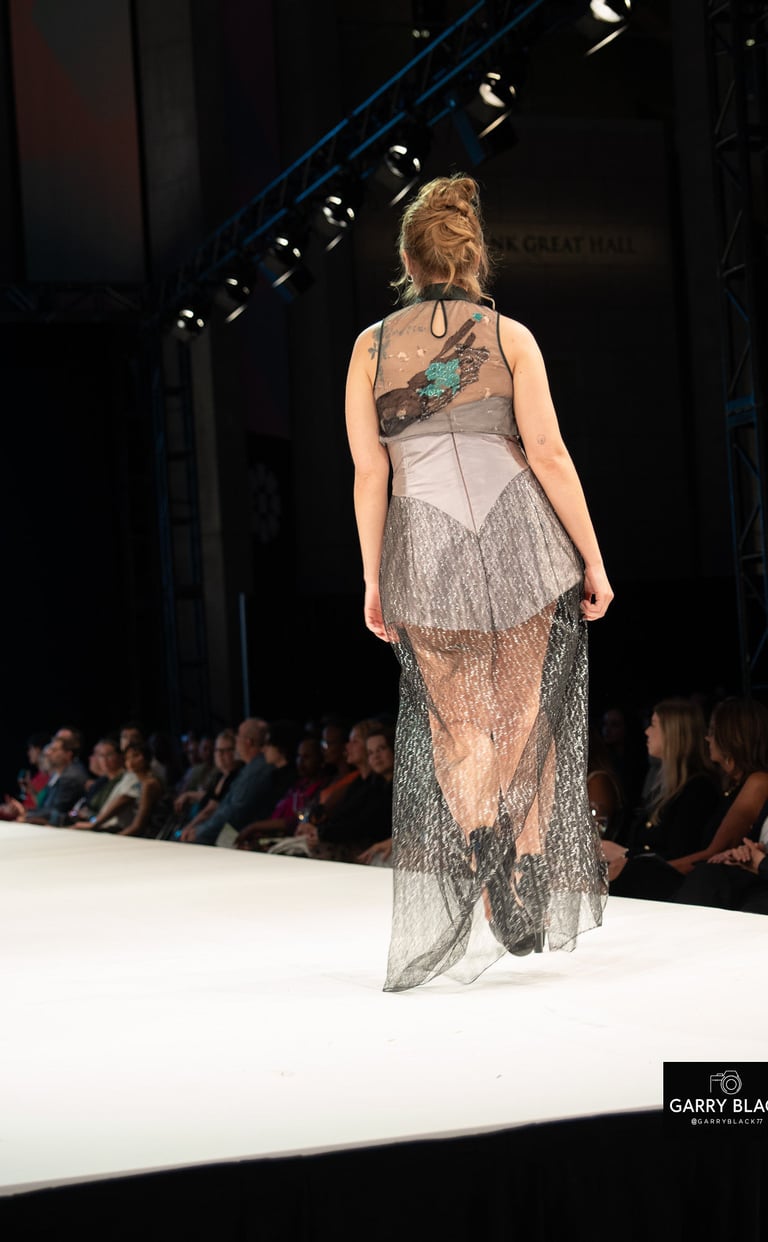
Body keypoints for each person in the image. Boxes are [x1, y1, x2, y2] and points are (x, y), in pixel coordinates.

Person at [344, 174, 613, 990]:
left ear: (407, 260)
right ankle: (526, 864)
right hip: (518, 540)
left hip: (424, 547)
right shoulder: (510, 337)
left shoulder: (369, 348)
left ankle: (484, 847)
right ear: (473, 259)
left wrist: (371, 575)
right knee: (526, 711)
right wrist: (594, 559)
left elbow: (369, 472)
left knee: (459, 724)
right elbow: (549, 454)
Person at [601, 698, 722, 899]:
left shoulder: (698, 790)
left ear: (673, 733)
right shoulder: (664, 784)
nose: (647, 731)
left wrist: (624, 854)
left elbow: (680, 856)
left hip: (667, 892)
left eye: (654, 725)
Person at [180, 717, 275, 846]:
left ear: (248, 742)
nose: (236, 741)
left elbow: (235, 815)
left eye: (238, 736)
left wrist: (200, 833)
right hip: (230, 833)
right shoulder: (249, 770)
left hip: (240, 837)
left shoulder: (256, 772)